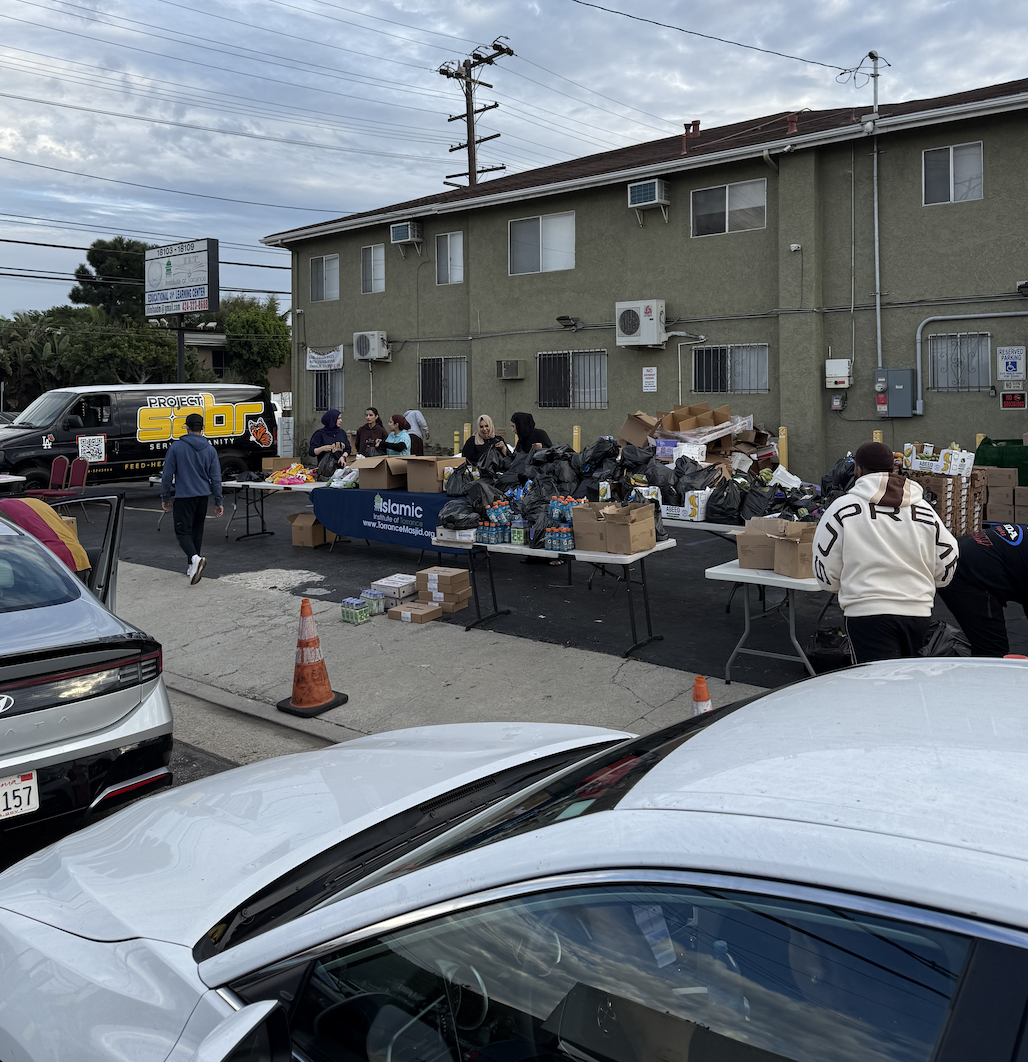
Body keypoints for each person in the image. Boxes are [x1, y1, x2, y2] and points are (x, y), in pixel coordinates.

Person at [812, 441, 958, 663]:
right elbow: (948, 553)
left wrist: (838, 586)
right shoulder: (923, 509)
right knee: (909, 682)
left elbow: (824, 560)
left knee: (876, 688)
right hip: (917, 611)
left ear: (858, 469)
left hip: (866, 611)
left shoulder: (843, 508)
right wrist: (934, 583)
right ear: (894, 468)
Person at [939, 523, 1028, 656]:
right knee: (992, 650)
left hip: (963, 555)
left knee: (992, 647)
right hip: (968, 573)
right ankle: (984, 673)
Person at [160, 412, 224, 584]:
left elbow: (167, 475)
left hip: (184, 496)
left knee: (182, 531)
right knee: (197, 531)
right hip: (203, 496)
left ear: (186, 427)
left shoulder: (176, 447)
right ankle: (191, 566)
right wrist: (218, 501)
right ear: (202, 428)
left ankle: (195, 559)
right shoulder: (210, 449)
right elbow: (216, 478)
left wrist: (165, 496)